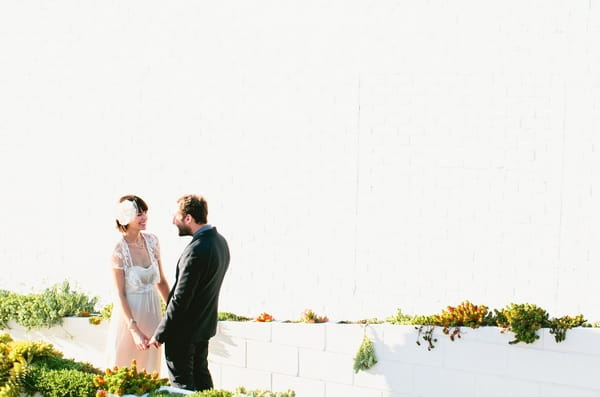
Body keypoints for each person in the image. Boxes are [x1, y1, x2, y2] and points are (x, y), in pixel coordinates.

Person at [149, 194, 230, 391]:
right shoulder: (220, 242)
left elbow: (181, 298)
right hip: (204, 328)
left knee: (183, 387)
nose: (173, 221)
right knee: (202, 380)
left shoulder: (196, 250)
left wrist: (160, 334)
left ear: (188, 218)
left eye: (176, 216)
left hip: (183, 333)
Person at [104, 195, 170, 373]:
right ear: (125, 217)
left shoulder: (153, 241)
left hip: (153, 315)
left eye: (145, 212)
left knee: (149, 372)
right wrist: (134, 330)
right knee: (124, 369)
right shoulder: (118, 250)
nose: (145, 217)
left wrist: (174, 314)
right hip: (129, 319)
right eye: (139, 214)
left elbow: (162, 282)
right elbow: (120, 294)